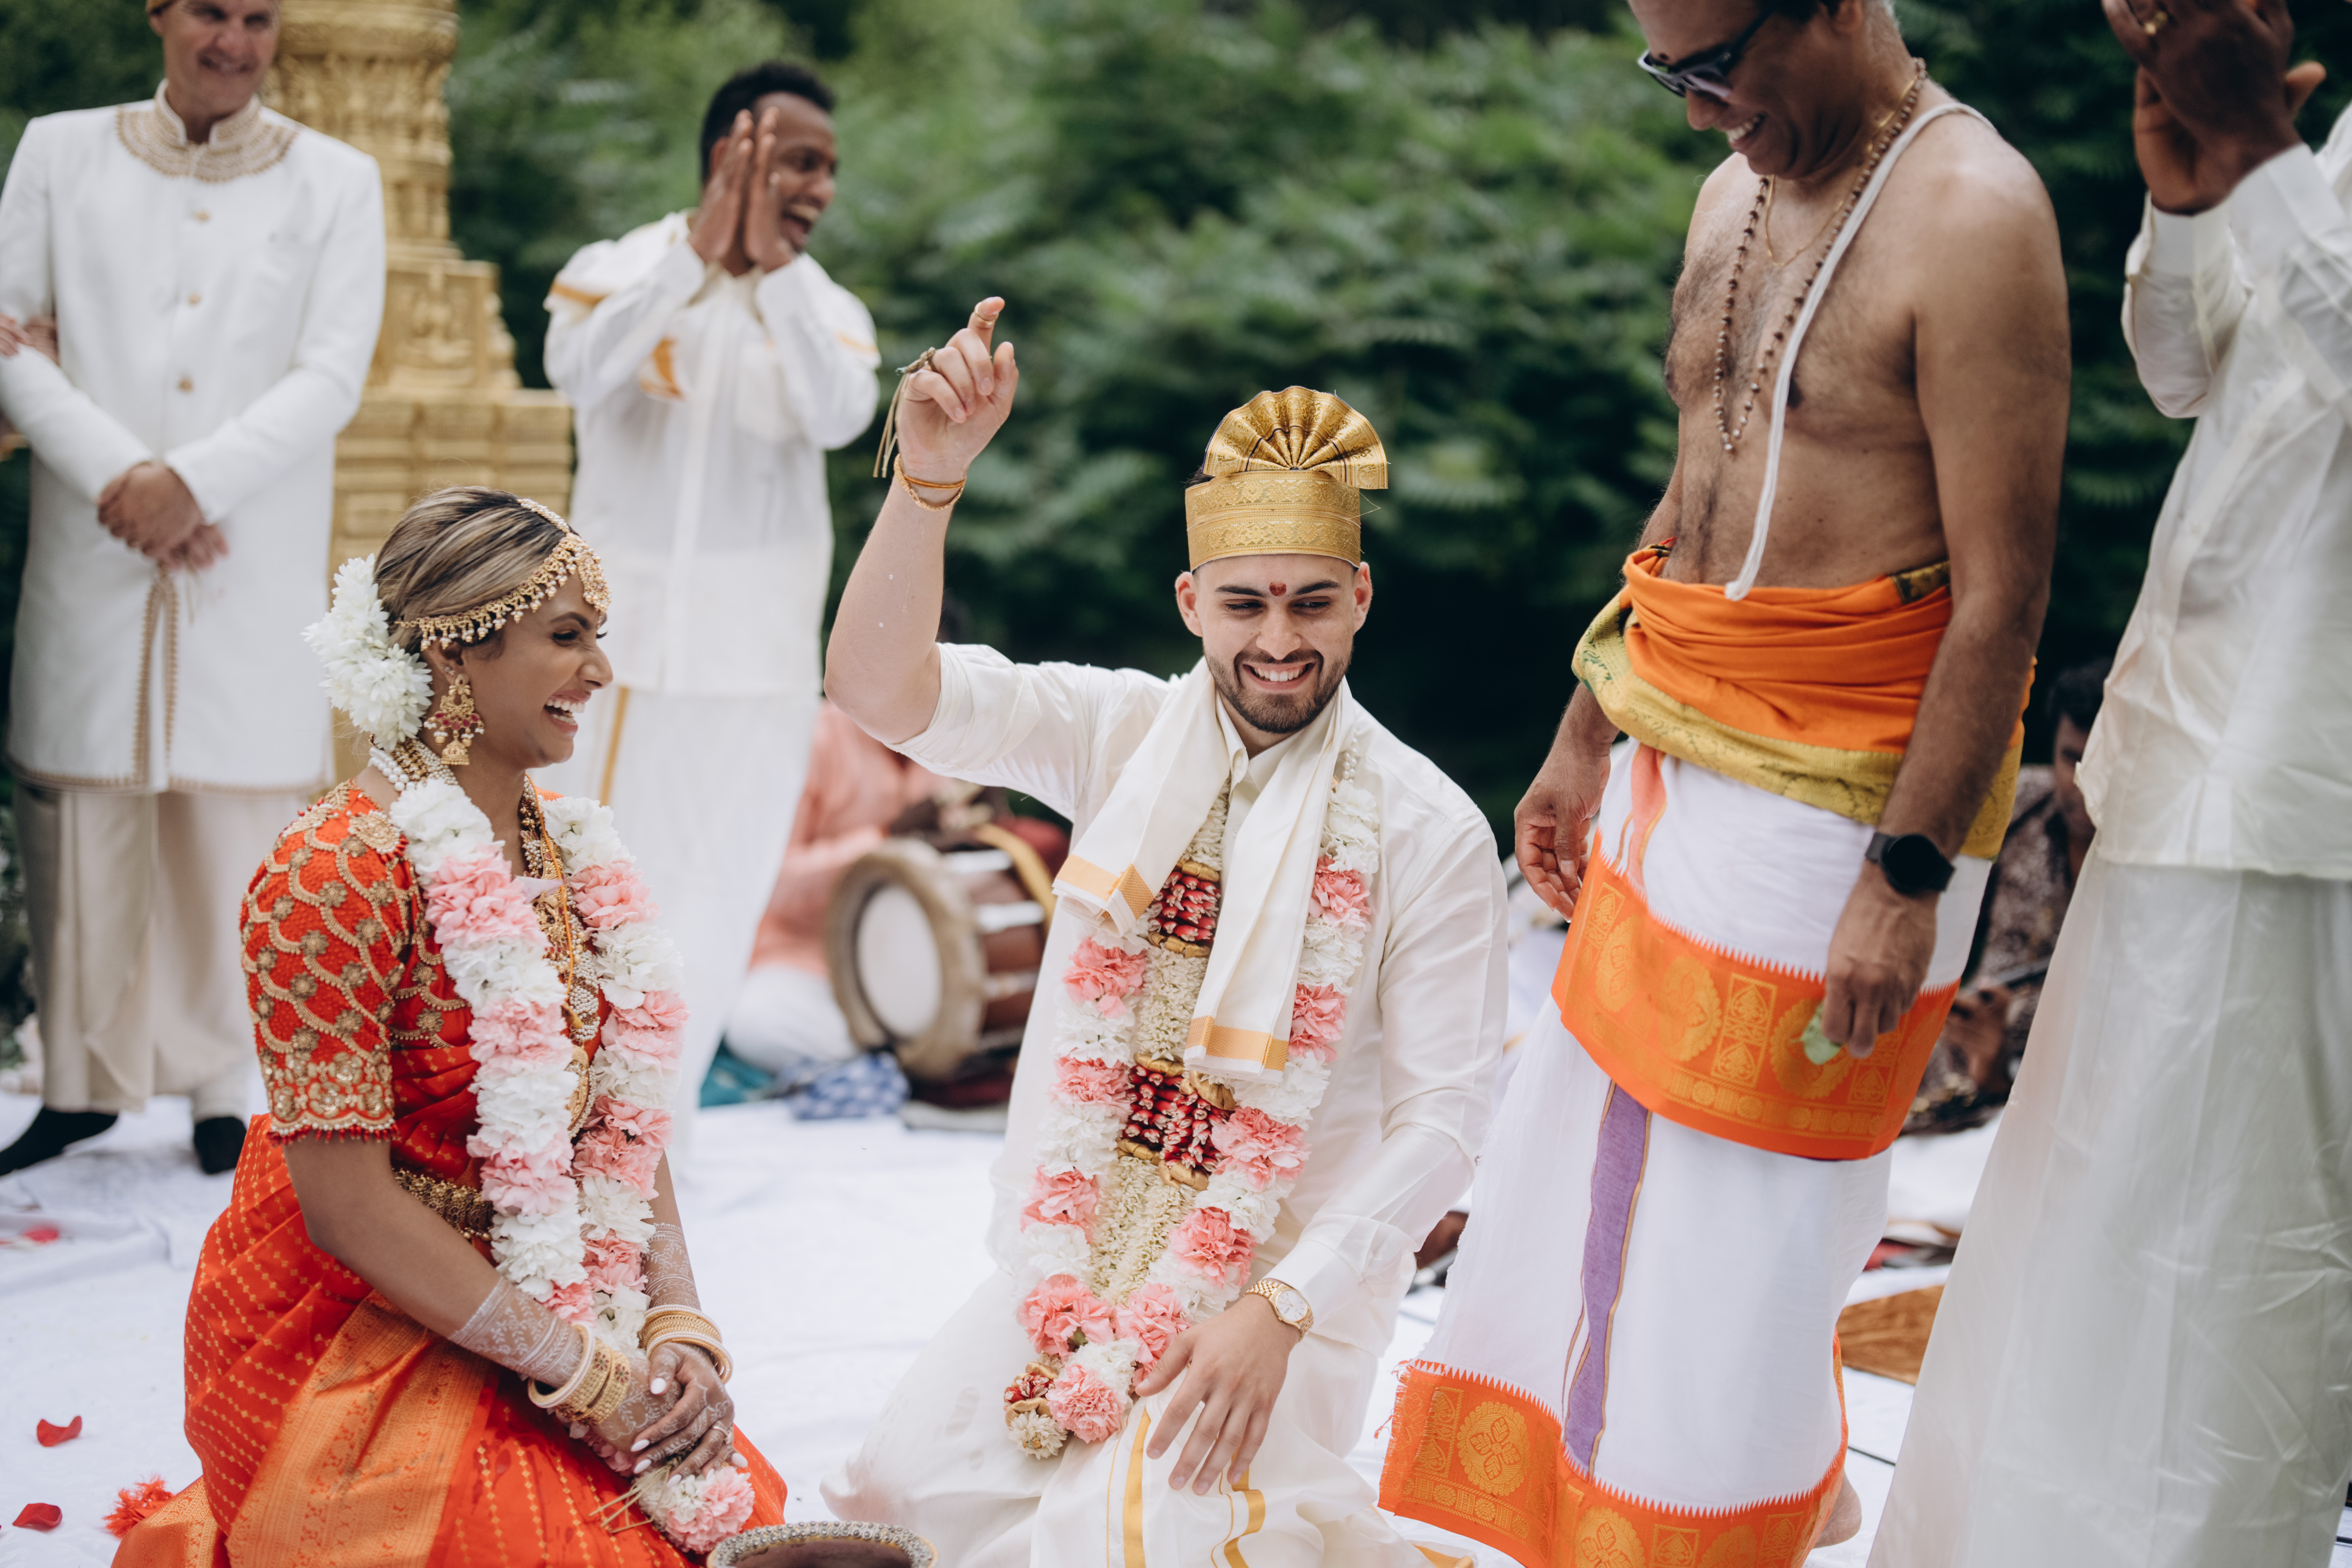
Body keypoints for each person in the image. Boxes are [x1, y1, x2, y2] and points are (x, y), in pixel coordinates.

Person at [1378, 1, 2071, 1562]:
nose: (1696, 111)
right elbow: (1702, 478)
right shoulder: (1732, 189)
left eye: (1713, 67)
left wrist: (1904, 878)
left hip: (1854, 795)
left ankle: (1710, 1529)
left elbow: (2005, 593)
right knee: (1581, 1163)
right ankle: (1611, 1513)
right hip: (1672, 732)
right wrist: (1588, 722)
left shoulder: (1974, 213)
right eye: (1666, 71)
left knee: (1738, 1228)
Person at [819, 306, 1506, 1565]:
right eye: (1244, 604)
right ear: (1191, 601)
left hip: (1273, 1294)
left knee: (1118, 1534)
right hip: (1073, 1252)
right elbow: (877, 689)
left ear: (1359, 597)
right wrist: (926, 481)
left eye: (1311, 603)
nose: (1279, 641)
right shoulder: (1115, 734)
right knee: (897, 1504)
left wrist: (1279, 1307)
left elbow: (1445, 1121)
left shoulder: (1427, 827)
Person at [1872, 2, 2352, 1561]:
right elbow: (2187, 373)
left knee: (2237, 1283)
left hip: (2308, 808)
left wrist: (2262, 156)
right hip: (2180, 760)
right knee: (2084, 1236)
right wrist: (2190, 188)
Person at [115, 488, 789, 1567]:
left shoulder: (570, 851)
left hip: (560, 1301)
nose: (600, 672)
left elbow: (616, 1124)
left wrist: (676, 1327)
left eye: (597, 637)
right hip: (358, 1323)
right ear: (453, 652)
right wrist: (590, 1374)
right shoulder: (333, 871)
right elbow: (345, 1208)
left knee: (735, 1532)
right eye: (566, 637)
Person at [0, 0, 385, 1178]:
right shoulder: (61, 152)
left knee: (236, 824)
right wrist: (123, 478)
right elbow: (8, 340)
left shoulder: (337, 180)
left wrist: (194, 486)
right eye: (211, 11)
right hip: (97, 532)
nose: (235, 41)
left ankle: (229, 1090)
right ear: (160, 13)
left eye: (259, 18)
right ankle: (79, 1087)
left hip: (244, 546)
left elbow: (331, 373)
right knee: (86, 811)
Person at [539, 59, 880, 1146]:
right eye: (799, 161)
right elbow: (577, 369)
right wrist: (694, 259)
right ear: (734, 150)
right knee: (585, 880)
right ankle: (552, 1116)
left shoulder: (826, 310)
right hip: (612, 650)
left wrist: (773, 277)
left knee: (715, 891)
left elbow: (840, 414)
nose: (820, 187)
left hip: (754, 661)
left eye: (827, 168)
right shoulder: (618, 268)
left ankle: (656, 1129)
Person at [1904, 656, 2108, 1134]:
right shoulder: (2019, 802)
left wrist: (2000, 1072)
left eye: (2103, 766)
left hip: (2070, 1097)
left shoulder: (2156, 863)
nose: (2082, 783)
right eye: (2071, 758)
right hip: (1954, 1055)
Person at [722, 699, 949, 1088]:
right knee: (756, 1023)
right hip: (807, 960)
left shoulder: (954, 741)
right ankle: (904, 1064)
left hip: (916, 958)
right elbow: (770, 883)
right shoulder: (814, 738)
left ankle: (897, 1061)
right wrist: (883, 840)